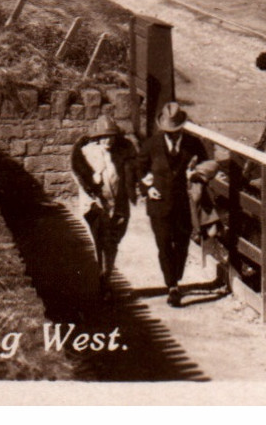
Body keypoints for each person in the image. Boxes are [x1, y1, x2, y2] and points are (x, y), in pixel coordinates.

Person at [138, 101, 214, 305]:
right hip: (159, 204)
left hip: (184, 205)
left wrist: (196, 174)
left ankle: (176, 276)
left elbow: (207, 166)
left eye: (175, 131)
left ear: (181, 128)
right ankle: (172, 286)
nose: (171, 134)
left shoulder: (194, 144)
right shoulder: (151, 145)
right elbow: (138, 170)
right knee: (163, 244)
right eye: (167, 131)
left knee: (181, 245)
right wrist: (147, 188)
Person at [71, 115, 139, 300]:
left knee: (113, 243)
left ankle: (105, 276)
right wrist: (92, 182)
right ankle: (105, 282)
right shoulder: (86, 152)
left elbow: (132, 172)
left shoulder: (122, 152)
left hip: (118, 205)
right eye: (104, 136)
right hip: (96, 206)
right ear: (96, 137)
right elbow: (78, 174)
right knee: (103, 241)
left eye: (111, 136)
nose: (108, 140)